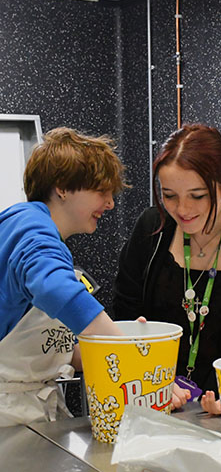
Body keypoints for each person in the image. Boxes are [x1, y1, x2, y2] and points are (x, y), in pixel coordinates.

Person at [113, 124, 221, 414]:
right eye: (169, 195)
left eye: (197, 196)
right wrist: (152, 379)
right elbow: (123, 317)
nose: (182, 209)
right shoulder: (151, 232)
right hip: (152, 403)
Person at [0, 127, 132, 427]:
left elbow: (49, 349)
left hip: (30, 413)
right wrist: (132, 356)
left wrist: (118, 342)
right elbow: (54, 288)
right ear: (62, 187)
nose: (110, 203)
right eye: (101, 191)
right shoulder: (30, 227)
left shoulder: (42, 236)